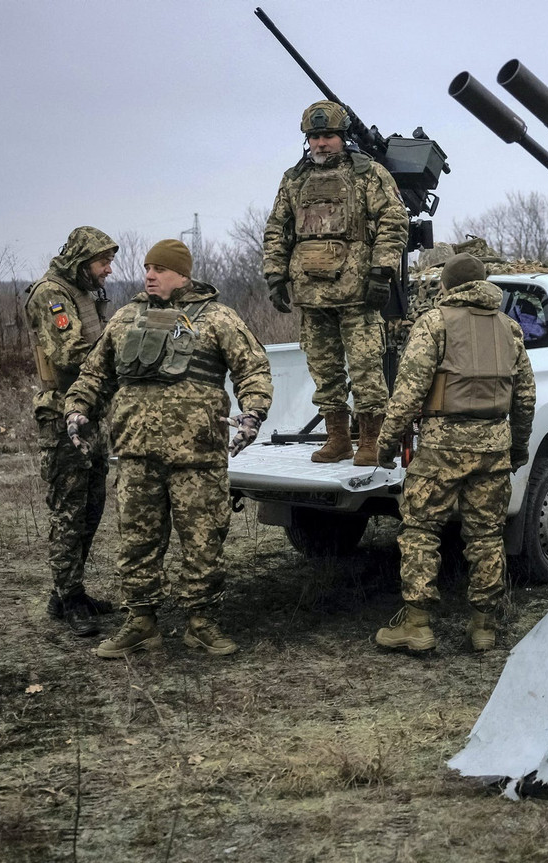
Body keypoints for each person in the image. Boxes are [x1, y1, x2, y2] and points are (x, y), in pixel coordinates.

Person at [63, 239, 273, 659]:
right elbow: (94, 373)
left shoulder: (217, 318)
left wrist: (253, 413)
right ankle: (140, 622)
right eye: (146, 268)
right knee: (137, 541)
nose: (149, 276)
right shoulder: (125, 319)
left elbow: (253, 368)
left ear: (182, 274)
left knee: (203, 540)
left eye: (159, 269)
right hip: (137, 453)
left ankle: (201, 623)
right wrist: (77, 408)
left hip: (197, 455)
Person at [374, 253, 536, 652]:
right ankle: (483, 627)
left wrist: (386, 444)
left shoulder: (435, 322)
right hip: (493, 449)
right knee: (486, 536)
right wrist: (517, 448)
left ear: (447, 286)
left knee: (421, 531)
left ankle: (417, 624)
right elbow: (526, 397)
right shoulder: (509, 328)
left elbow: (408, 391)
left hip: (440, 449)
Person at [263, 100, 408, 466]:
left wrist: (381, 272)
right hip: (311, 295)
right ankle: (338, 439)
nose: (320, 143)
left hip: (356, 295)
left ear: (342, 137)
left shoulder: (368, 174)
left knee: (366, 370)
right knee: (324, 372)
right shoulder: (294, 179)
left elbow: (394, 221)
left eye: (327, 135)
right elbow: (277, 229)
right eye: (314, 137)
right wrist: (275, 275)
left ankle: (371, 441)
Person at [24, 226, 118, 637]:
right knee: (69, 510)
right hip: (63, 414)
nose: (108, 270)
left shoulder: (86, 292)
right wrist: (125, 351)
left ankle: (67, 592)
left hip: (92, 412)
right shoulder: (51, 294)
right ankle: (69, 597)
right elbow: (69, 351)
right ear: (82, 261)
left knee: (92, 507)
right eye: (102, 262)